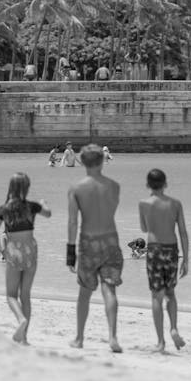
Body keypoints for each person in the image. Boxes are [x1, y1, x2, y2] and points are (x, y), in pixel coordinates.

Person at [67, 143, 123, 353]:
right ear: (102, 161)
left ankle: (80, 338)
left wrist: (70, 253)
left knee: (85, 292)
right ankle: (113, 336)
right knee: (109, 289)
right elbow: (111, 209)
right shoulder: (114, 186)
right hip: (110, 240)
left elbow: (73, 222)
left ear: (82, 161)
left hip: (88, 242)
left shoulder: (76, 188)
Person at [0, 172, 51, 344]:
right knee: (26, 295)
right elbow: (48, 214)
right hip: (30, 249)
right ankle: (24, 338)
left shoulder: (3, 209)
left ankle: (21, 319)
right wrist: (44, 203)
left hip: (13, 250)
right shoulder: (32, 206)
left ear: (10, 188)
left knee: (11, 295)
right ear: (27, 188)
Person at [139, 169, 189, 353]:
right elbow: (183, 232)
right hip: (171, 250)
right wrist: (187, 258)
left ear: (147, 185)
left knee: (156, 296)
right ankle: (174, 328)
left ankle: (160, 341)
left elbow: (144, 228)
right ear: (165, 184)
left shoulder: (144, 203)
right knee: (171, 293)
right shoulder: (176, 204)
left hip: (154, 250)